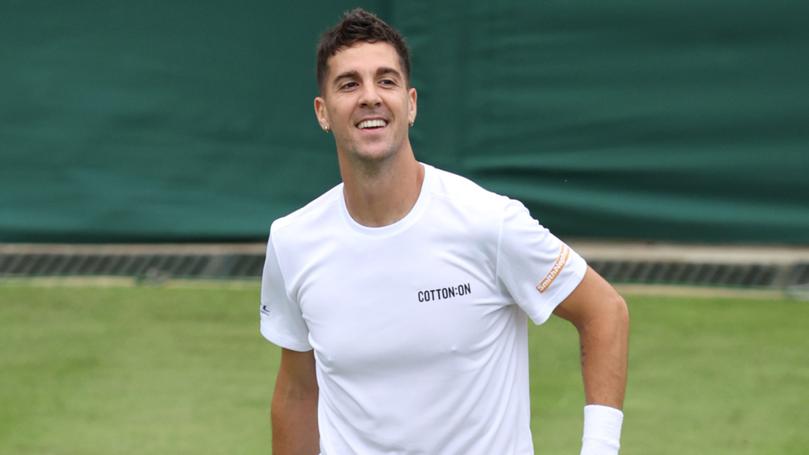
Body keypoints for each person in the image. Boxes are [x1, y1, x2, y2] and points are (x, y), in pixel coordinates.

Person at [260, 8, 629, 455]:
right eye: (349, 84)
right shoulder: (292, 241)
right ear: (323, 112)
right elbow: (298, 393)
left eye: (387, 80)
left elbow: (604, 311)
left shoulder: (489, 223)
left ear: (410, 104)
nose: (370, 97)